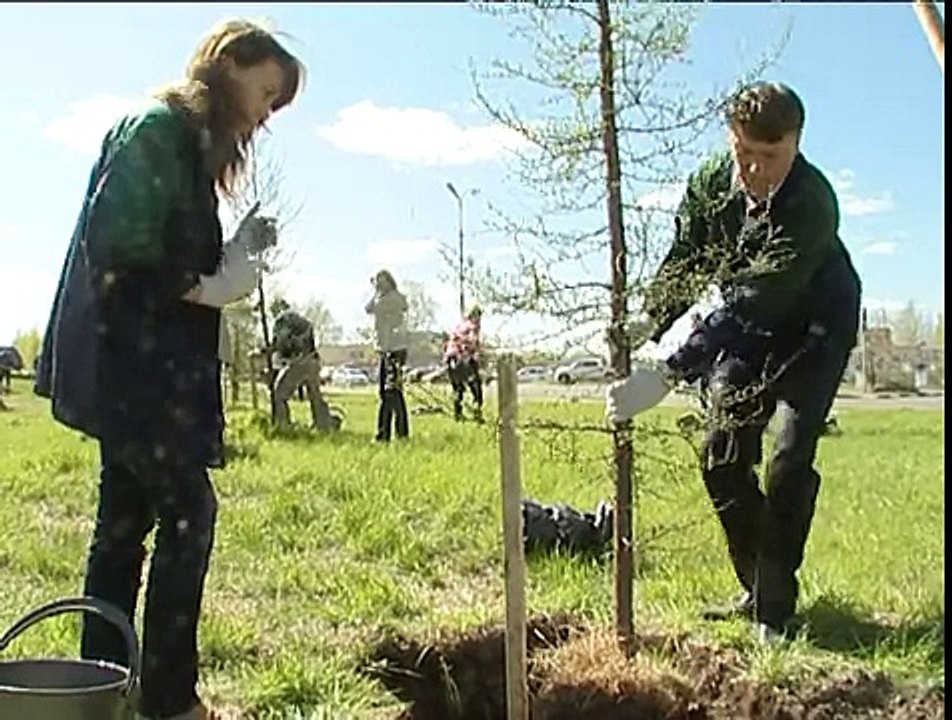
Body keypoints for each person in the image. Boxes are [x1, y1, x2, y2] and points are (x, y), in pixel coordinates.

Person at [34, 20, 304, 720]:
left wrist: (235, 253)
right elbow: (119, 246)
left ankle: (103, 692)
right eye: (266, 92)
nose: (264, 115)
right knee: (189, 512)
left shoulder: (189, 153)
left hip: (143, 367)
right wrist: (210, 285)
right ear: (231, 62)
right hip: (133, 367)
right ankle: (167, 699)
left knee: (122, 528)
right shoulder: (156, 131)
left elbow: (170, 245)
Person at [605, 82, 861, 644]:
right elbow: (688, 259)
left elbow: (753, 301)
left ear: (796, 144)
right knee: (721, 457)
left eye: (770, 157)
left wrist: (669, 372)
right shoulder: (709, 186)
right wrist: (651, 320)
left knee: (789, 460)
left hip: (814, 331)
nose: (754, 170)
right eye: (744, 152)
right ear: (731, 138)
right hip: (748, 332)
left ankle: (775, 609)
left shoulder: (813, 203)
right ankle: (755, 586)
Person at [272, 305, 340, 432]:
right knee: (314, 395)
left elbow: (282, 346)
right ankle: (324, 423)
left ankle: (282, 425)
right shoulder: (299, 321)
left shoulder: (282, 323)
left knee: (279, 393)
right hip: (312, 361)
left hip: (301, 361)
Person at [365, 269, 410, 442]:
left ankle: (390, 434)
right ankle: (390, 433)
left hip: (395, 349)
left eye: (381, 282)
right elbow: (368, 308)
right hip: (386, 349)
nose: (378, 285)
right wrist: (376, 291)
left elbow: (372, 307)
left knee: (392, 392)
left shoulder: (393, 298)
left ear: (389, 282)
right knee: (387, 393)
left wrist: (377, 292)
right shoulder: (381, 298)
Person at [444, 305, 484, 422]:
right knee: (476, 389)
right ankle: (477, 414)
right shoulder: (473, 326)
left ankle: (458, 415)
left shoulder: (460, 325)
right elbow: (471, 342)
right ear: (475, 315)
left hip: (451, 359)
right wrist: (472, 357)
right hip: (462, 358)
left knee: (458, 389)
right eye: (479, 316)